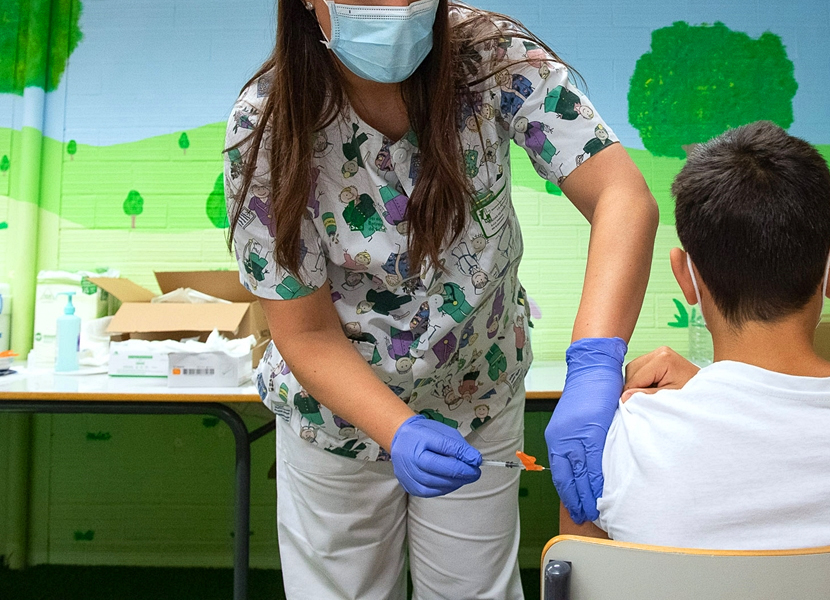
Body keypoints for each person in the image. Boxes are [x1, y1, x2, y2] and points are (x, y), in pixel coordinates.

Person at [223, 1, 658, 598]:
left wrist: (593, 367)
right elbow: (306, 333)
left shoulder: (491, 56)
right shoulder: (266, 128)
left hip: (478, 391)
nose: (395, 9)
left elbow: (622, 197)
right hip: (337, 420)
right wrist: (397, 428)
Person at [569, 122, 830, 550]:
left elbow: (577, 571)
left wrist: (705, 386)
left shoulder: (629, 435)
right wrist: (707, 385)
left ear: (686, 277)